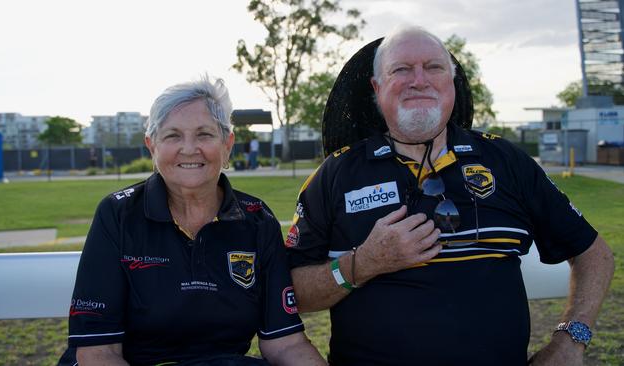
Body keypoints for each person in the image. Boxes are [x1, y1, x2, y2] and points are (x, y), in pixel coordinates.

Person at [285, 26, 614, 366]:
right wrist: (363, 263)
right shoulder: (336, 174)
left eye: (434, 67)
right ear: (377, 87)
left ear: (451, 82)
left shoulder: (507, 160)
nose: (419, 80)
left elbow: (594, 254)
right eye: (401, 69)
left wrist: (571, 341)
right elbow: (291, 292)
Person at [59, 76, 326, 366]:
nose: (189, 148)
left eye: (204, 135)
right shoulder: (118, 214)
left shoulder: (257, 221)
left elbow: (285, 343)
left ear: (227, 145)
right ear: (152, 146)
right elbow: (98, 352)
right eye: (173, 135)